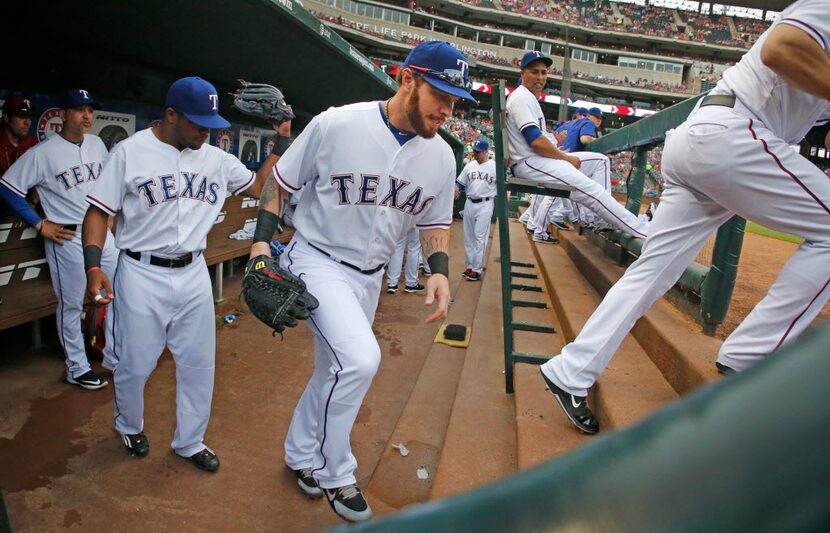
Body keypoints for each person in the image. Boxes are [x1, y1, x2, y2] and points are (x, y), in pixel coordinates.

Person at [539, 0, 830, 435]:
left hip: (705, 139)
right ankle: (747, 357)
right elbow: (780, 47)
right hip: (733, 134)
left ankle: (570, 370)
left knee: (652, 271)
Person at [248, 41, 474, 522]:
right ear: (407, 78)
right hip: (318, 259)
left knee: (334, 369)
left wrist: (438, 272)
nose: (447, 110)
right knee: (359, 359)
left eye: (455, 102)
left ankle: (299, 454)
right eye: (441, 94)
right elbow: (278, 185)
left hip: (370, 278)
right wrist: (262, 245)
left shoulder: (442, 157)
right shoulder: (337, 123)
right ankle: (336, 473)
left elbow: (434, 225)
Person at [82, 77, 289, 471]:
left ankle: (190, 441)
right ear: (171, 114)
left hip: (194, 271)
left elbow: (261, 188)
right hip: (140, 272)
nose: (205, 131)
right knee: (135, 364)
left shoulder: (214, 157)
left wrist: (282, 137)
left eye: (210, 122)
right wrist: (94, 267)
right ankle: (129, 424)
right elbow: (98, 212)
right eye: (197, 122)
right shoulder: (129, 152)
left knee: (198, 363)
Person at [0, 89, 116, 389]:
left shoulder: (97, 143)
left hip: (103, 233)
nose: (87, 116)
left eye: (90, 110)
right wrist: (40, 225)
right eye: (79, 110)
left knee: (119, 295)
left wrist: (111, 211)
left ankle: (115, 355)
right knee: (72, 304)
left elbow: (106, 184)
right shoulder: (42, 153)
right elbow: (8, 187)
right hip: (67, 236)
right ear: (62, 115)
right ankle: (76, 367)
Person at [506, 51, 648, 240]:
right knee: (594, 192)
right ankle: (644, 233)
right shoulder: (522, 98)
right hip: (530, 162)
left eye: (544, 72)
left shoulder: (527, 97)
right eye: (534, 72)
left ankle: (596, 219)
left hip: (536, 159)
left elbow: (538, 140)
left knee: (600, 161)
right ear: (522, 72)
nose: (540, 77)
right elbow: (535, 140)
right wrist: (565, 157)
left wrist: (557, 151)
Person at [456, 137, 496, 280]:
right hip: (469, 202)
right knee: (469, 237)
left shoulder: (494, 167)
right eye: (474, 151)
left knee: (479, 237)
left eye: (478, 152)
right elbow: (460, 184)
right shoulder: (469, 166)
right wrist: (456, 190)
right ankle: (470, 265)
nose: (475, 154)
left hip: (485, 203)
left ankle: (477, 269)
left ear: (485, 152)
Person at [1, 95, 38, 176]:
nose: (27, 122)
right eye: (21, 116)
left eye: (29, 117)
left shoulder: (33, 142)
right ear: (6, 117)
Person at [386, 227, 425, 293]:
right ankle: (411, 283)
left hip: (401, 219)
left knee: (397, 247)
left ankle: (392, 284)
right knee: (414, 248)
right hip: (415, 220)